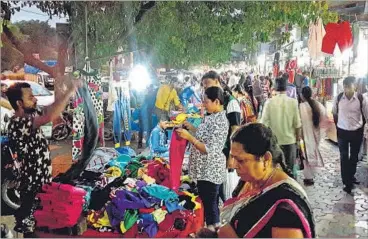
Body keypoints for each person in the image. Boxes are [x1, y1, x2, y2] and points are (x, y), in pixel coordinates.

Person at [206, 123, 315, 238]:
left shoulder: (285, 208)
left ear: (266, 159)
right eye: (232, 157)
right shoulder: (249, 180)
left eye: (241, 160)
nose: (232, 165)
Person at [6, 76, 81, 237]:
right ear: (19, 103)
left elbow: (50, 109)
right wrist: (70, 91)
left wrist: (65, 91)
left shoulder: (31, 114)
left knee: (43, 227)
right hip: (31, 187)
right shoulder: (18, 121)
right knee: (32, 229)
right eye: (30, 97)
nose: (35, 99)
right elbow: (49, 116)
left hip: (42, 184)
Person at [176, 87, 229, 231]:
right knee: (208, 203)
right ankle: (210, 228)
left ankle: (213, 231)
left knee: (210, 204)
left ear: (216, 101)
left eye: (206, 102)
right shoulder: (211, 116)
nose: (204, 104)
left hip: (210, 171)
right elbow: (205, 134)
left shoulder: (221, 122)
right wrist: (192, 128)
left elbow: (209, 149)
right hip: (204, 170)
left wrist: (189, 138)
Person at [201, 71, 241, 201]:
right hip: (215, 155)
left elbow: (235, 130)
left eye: (207, 84)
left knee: (227, 194)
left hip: (225, 153)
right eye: (203, 85)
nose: (205, 87)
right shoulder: (212, 102)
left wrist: (231, 155)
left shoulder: (231, 102)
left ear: (217, 81)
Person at [260, 77, 302, 179]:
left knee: (274, 173)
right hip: (290, 143)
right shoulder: (293, 102)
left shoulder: (269, 103)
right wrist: (297, 143)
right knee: (290, 172)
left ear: (274, 88)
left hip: (274, 144)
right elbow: (297, 125)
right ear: (286, 88)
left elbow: (263, 124)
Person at [332, 76, 367, 194]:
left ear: (355, 87)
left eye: (349, 87)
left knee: (354, 156)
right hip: (342, 131)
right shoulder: (338, 98)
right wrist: (338, 125)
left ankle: (351, 175)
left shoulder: (361, 99)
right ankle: (346, 181)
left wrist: (362, 127)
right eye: (345, 87)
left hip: (357, 131)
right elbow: (334, 113)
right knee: (343, 156)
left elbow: (366, 115)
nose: (347, 90)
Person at [299, 86, 329, 185]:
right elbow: (325, 118)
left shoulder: (301, 107)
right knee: (311, 154)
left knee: (306, 156)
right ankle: (311, 176)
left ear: (302, 95)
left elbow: (298, 122)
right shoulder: (318, 105)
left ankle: (309, 177)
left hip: (305, 135)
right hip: (316, 135)